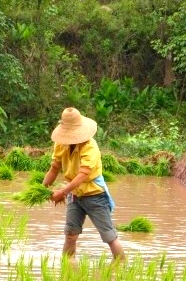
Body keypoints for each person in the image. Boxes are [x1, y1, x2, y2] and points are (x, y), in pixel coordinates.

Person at [43, 107, 125, 260]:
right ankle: (67, 267)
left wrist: (62, 192)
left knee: (109, 237)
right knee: (70, 234)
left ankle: (122, 268)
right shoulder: (61, 144)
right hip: (74, 196)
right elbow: (54, 168)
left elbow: (83, 175)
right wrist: (42, 190)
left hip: (95, 195)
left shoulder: (90, 146)